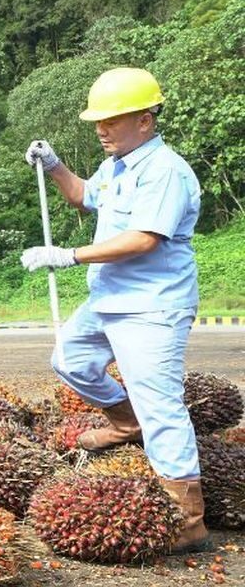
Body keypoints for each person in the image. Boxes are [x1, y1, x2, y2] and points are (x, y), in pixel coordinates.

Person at [21, 67, 206, 552]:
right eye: (98, 121)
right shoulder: (117, 166)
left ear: (145, 120)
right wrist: (56, 166)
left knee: (161, 405)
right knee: (70, 361)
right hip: (109, 300)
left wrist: (70, 254)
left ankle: (189, 520)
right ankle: (127, 423)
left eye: (112, 120)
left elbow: (145, 238)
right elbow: (85, 198)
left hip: (152, 306)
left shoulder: (165, 170)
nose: (101, 129)